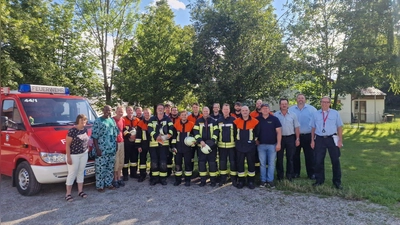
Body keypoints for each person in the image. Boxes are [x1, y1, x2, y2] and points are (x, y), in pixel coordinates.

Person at [310, 96, 344, 189]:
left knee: (335, 160)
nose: (324, 104)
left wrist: (340, 140)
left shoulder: (335, 113)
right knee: (318, 161)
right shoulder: (315, 114)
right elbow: (313, 128)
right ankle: (319, 180)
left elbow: (339, 127)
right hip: (320, 139)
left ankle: (337, 182)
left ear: (330, 103)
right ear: (320, 103)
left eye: (326, 102)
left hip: (332, 138)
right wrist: (312, 140)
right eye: (323, 102)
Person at [289, 94, 317, 179]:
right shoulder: (291, 109)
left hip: (308, 135)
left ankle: (311, 174)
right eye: (299, 98)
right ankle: (296, 173)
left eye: (302, 98)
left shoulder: (312, 109)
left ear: (305, 99)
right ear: (296, 99)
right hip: (295, 136)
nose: (300, 99)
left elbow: (315, 123)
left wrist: (314, 137)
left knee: (310, 156)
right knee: (295, 155)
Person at [92, 105, 119, 192]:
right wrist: (97, 148)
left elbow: (115, 133)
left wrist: (116, 144)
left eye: (110, 110)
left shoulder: (112, 120)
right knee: (100, 168)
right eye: (106, 110)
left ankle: (108, 183)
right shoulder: (98, 121)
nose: (108, 111)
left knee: (110, 167)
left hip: (111, 148)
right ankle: (100, 186)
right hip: (102, 148)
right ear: (103, 110)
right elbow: (94, 136)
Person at [147, 104, 174, 185]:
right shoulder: (152, 119)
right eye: (159, 108)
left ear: (164, 110)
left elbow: (171, 130)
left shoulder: (168, 119)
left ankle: (163, 178)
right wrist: (156, 136)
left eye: (162, 108)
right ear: (156, 110)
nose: (160, 110)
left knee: (163, 162)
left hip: (164, 144)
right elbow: (149, 129)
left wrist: (165, 137)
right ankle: (154, 178)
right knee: (154, 162)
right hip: (153, 144)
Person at [65, 114, 89, 201]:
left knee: (81, 172)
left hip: (83, 154)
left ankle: (80, 191)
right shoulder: (72, 131)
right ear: (78, 121)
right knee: (72, 173)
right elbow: (67, 145)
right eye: (81, 120)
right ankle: (68, 194)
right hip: (73, 155)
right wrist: (68, 157)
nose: (83, 122)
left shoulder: (85, 130)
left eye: (85, 120)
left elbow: (86, 141)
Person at [257, 103, 282, 188]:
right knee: (262, 164)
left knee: (271, 164)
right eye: (263, 108)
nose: (265, 110)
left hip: (272, 145)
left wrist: (278, 143)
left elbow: (279, 132)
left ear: (269, 109)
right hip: (261, 145)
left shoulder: (275, 119)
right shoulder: (257, 119)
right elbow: (252, 131)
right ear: (260, 110)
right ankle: (263, 180)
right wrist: (255, 140)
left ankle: (270, 180)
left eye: (267, 108)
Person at [274, 99, 300, 181]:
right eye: (282, 104)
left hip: (290, 138)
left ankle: (289, 175)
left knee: (290, 157)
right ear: (280, 105)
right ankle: (280, 176)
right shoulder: (275, 115)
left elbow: (296, 127)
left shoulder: (293, 115)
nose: (284, 105)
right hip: (279, 138)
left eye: (285, 104)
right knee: (279, 158)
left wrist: (297, 139)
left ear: (288, 105)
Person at [234, 106, 259, 189]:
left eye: (246, 110)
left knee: (251, 164)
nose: (244, 112)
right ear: (240, 111)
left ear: (249, 112)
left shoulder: (255, 122)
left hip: (250, 147)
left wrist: (253, 141)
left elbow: (257, 133)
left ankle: (251, 181)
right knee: (240, 164)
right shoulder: (236, 121)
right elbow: (234, 133)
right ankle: (241, 181)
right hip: (239, 146)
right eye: (243, 110)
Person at [193, 106, 219, 187]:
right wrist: (200, 141)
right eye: (204, 111)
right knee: (202, 163)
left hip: (211, 146)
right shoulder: (198, 121)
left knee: (212, 163)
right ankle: (203, 180)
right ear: (202, 112)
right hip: (201, 145)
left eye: (207, 111)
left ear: (209, 111)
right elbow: (195, 132)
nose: (205, 112)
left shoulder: (213, 121)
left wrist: (211, 142)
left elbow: (216, 132)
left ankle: (213, 181)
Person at [171, 110, 195, 186]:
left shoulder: (192, 124)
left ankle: (187, 180)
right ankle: (178, 180)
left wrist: (193, 145)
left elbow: (194, 136)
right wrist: (173, 147)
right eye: (182, 115)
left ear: (187, 116)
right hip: (178, 148)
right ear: (180, 116)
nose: (184, 116)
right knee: (178, 164)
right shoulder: (176, 125)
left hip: (188, 148)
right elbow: (173, 137)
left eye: (185, 115)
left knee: (188, 164)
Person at [217, 103, 237, 186]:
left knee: (233, 163)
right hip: (221, 146)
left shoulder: (233, 120)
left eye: (227, 109)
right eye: (224, 109)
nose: (226, 111)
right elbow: (216, 132)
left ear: (229, 110)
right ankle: (223, 179)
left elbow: (236, 132)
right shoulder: (218, 120)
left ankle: (234, 180)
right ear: (222, 110)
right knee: (222, 163)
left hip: (232, 146)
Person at [122, 106, 140, 180]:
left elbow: (139, 129)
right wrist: (129, 135)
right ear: (126, 111)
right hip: (126, 143)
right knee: (126, 160)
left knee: (134, 159)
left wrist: (136, 136)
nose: (130, 111)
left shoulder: (137, 120)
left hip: (135, 143)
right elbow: (122, 129)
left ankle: (133, 173)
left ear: (133, 111)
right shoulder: (123, 119)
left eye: (131, 110)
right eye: (128, 110)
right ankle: (125, 175)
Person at [136, 108, 152, 182]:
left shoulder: (154, 122)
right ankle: (142, 175)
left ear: (150, 113)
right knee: (142, 160)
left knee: (153, 159)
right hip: (143, 144)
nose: (146, 114)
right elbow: (138, 135)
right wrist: (138, 146)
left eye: (148, 113)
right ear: (143, 114)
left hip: (152, 144)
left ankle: (152, 175)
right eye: (145, 113)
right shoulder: (140, 123)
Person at [112, 106, 126, 188]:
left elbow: (123, 130)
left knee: (121, 160)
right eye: (119, 111)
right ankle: (115, 179)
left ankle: (119, 177)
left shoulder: (123, 120)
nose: (120, 112)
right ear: (116, 111)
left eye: (122, 111)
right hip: (115, 142)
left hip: (122, 142)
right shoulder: (112, 120)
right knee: (116, 161)